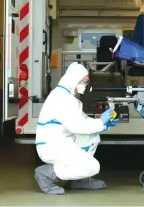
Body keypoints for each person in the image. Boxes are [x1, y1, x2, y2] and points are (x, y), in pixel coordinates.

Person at [34, 62, 120, 195]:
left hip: (62, 141)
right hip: (52, 146)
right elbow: (78, 126)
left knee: (92, 136)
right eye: (83, 81)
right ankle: (46, 174)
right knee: (92, 167)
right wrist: (100, 122)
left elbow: (83, 120)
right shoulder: (62, 98)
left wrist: (103, 124)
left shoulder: (69, 97)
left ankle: (77, 180)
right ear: (73, 79)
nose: (85, 85)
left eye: (86, 82)